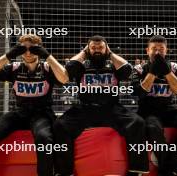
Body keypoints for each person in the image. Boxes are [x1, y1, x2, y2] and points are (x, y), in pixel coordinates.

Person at [0, 34, 69, 176]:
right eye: (24, 49)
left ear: (39, 50)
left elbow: (64, 79)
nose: (28, 53)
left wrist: (48, 56)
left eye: (33, 49)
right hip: (20, 112)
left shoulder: (47, 68)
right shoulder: (15, 68)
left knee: (44, 139)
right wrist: (8, 55)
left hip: (42, 113)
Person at [54, 35, 149, 176]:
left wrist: (110, 54)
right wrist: (84, 52)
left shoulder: (113, 63)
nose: (97, 50)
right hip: (85, 108)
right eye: (93, 48)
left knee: (138, 123)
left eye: (100, 47)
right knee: (59, 125)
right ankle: (64, 172)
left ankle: (136, 171)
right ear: (87, 49)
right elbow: (68, 69)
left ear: (106, 49)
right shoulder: (81, 65)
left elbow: (127, 70)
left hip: (111, 108)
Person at [131, 35, 177, 176]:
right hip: (147, 109)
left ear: (166, 51)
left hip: (168, 108)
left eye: (161, 49)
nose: (157, 52)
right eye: (154, 49)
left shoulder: (174, 67)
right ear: (147, 50)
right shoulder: (139, 68)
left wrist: (167, 72)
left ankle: (176, 170)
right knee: (153, 128)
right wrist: (152, 72)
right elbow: (138, 93)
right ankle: (168, 171)